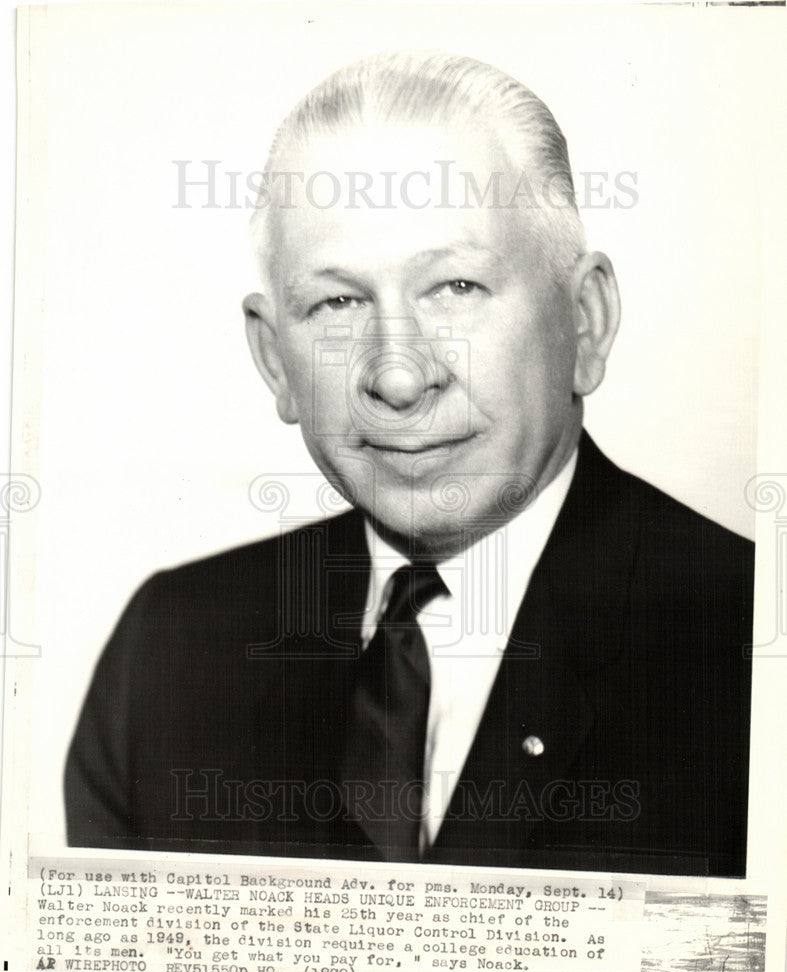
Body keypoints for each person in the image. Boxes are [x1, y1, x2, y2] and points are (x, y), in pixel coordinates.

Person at [65, 52, 753, 876]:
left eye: (456, 286)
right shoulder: (170, 651)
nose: (397, 375)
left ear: (585, 321)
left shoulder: (744, 650)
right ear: (274, 360)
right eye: (338, 303)